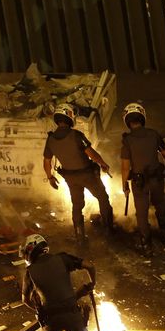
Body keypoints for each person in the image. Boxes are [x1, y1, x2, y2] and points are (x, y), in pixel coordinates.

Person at [42, 103, 114, 244]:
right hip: (87, 175)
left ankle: (79, 236)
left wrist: (50, 177)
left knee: (77, 205)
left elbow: (46, 161)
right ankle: (109, 230)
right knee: (102, 198)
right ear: (69, 116)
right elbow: (91, 153)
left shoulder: (50, 139)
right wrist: (103, 164)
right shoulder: (76, 135)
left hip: (70, 178)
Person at [119, 102, 165, 255]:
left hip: (139, 183)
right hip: (156, 179)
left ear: (127, 120)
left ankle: (146, 245)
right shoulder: (154, 134)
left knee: (141, 213)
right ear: (142, 117)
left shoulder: (127, 141)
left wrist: (125, 185)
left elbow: (124, 167)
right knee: (160, 205)